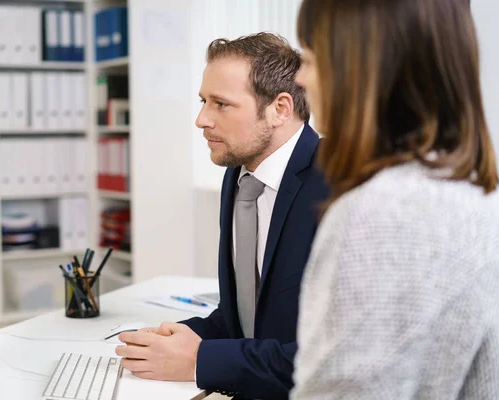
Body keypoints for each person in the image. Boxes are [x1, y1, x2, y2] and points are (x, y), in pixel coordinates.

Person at [291, 0, 499, 398]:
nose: (300, 78)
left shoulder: (384, 214)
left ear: (364, 73)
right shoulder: (471, 189)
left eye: (311, 59)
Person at [115, 33, 329, 399]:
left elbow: (332, 360)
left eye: (221, 104)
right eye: (203, 101)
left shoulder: (339, 186)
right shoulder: (240, 172)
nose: (201, 119)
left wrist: (199, 361)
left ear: (280, 109)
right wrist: (179, 339)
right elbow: (248, 318)